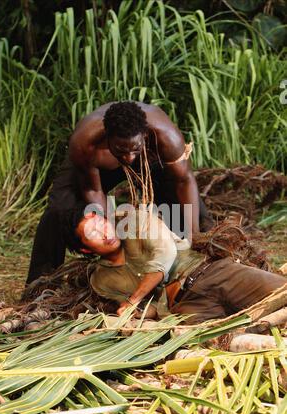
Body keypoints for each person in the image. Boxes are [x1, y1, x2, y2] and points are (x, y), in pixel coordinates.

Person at [26, 101, 212, 285]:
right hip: (100, 164)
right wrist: (112, 238)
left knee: (188, 213)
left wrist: (193, 236)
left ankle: (204, 263)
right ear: (107, 138)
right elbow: (93, 189)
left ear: (145, 135)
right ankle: (42, 286)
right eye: (122, 150)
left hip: (150, 158)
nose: (129, 158)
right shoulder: (85, 142)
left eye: (134, 150)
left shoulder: (167, 137)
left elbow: (184, 181)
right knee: (59, 208)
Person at [62, 204, 286, 324]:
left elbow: (166, 254)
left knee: (281, 294)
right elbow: (147, 309)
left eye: (102, 223)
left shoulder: (136, 221)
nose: (104, 232)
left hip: (211, 274)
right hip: (184, 308)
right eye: (93, 233)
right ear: (85, 249)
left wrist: (133, 300)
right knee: (235, 341)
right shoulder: (102, 280)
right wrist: (136, 312)